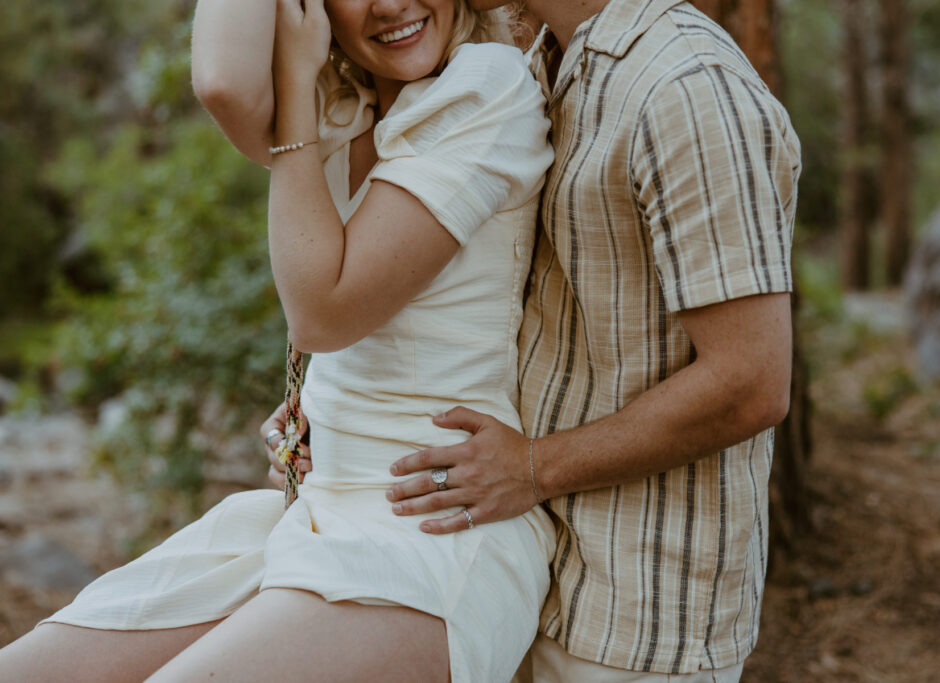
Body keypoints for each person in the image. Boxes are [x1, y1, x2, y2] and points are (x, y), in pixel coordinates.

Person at [0, 0, 556, 681]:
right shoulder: (347, 101)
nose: (389, 4)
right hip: (311, 512)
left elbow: (324, 314)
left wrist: (295, 88)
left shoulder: (484, 86)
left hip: (432, 536)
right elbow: (223, 82)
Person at [375, 0, 802, 681]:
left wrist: (534, 466)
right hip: (533, 580)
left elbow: (750, 382)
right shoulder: (541, 64)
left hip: (640, 621)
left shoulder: (686, 87)